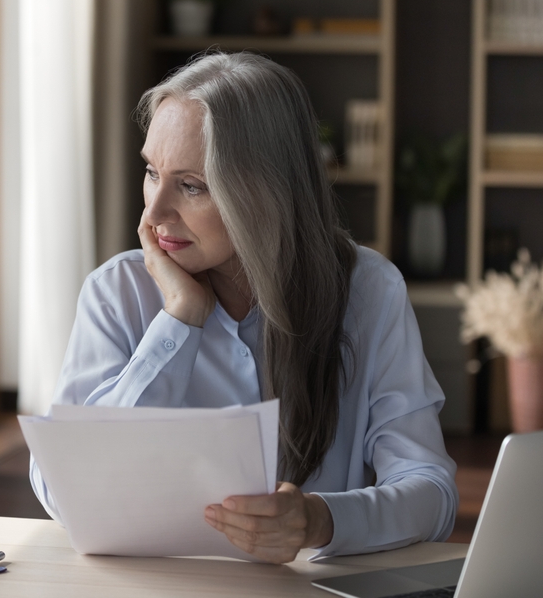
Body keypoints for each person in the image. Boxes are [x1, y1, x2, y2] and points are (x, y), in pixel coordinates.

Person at [29, 51, 458, 563]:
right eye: (151, 172)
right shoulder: (117, 292)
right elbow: (65, 491)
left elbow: (432, 494)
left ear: (268, 191)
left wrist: (320, 519)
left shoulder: (369, 290)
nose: (154, 210)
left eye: (191, 186)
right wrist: (178, 320)